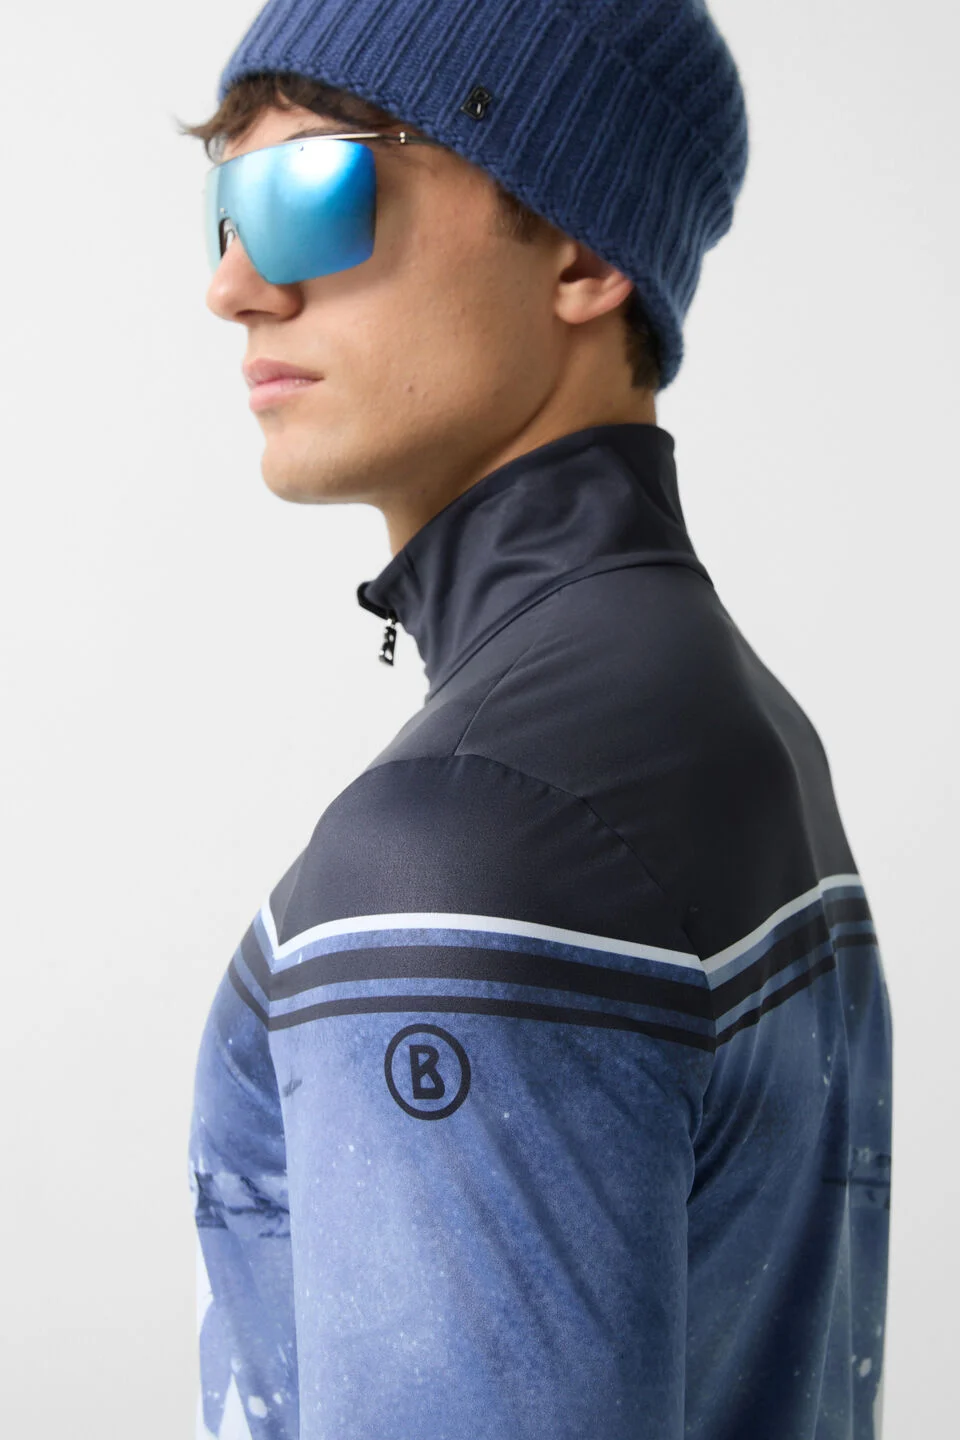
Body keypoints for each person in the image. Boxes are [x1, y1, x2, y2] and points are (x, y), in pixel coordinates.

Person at [180, 3, 893, 1437]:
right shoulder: (735, 726)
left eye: (308, 190)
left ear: (580, 251)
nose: (236, 288)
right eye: (224, 212)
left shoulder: (475, 831)